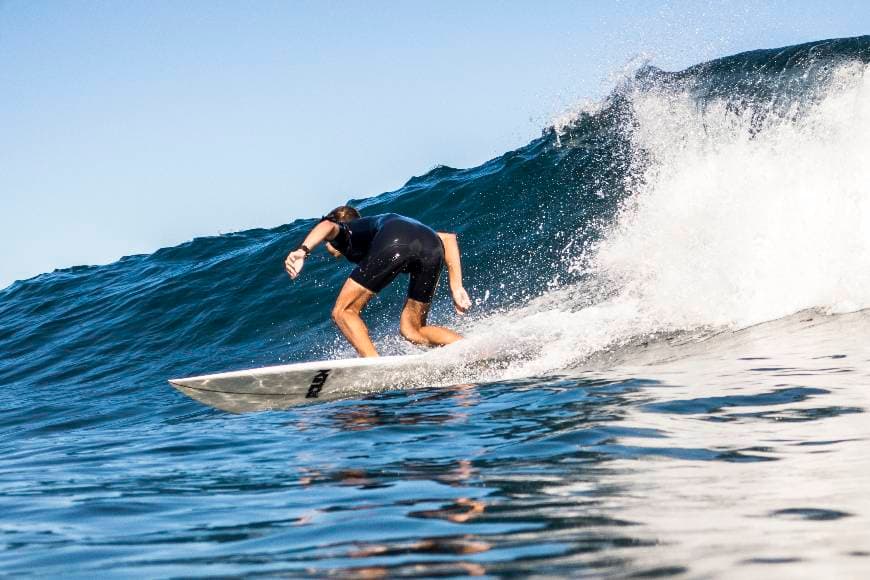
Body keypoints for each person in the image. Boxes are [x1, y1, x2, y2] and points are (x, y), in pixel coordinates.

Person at [284, 206, 472, 357]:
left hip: (395, 240)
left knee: (343, 311)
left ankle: (372, 363)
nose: (326, 244)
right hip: (432, 245)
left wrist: (302, 250)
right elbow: (448, 239)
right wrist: (456, 286)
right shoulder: (372, 227)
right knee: (413, 329)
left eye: (326, 241)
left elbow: (327, 225)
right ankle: (469, 349)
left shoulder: (347, 232)